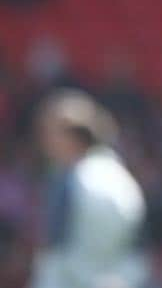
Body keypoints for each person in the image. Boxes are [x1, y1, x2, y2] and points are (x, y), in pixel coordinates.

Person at [31, 89, 150, 288]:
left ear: (70, 136)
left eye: (49, 132)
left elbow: (57, 255)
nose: (44, 142)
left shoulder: (72, 180)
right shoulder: (120, 175)